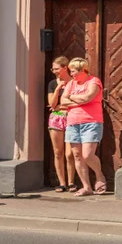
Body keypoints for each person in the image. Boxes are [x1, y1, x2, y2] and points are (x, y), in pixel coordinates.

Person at [58, 57, 107, 196]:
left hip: (91, 122)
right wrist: (79, 100)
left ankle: (99, 176)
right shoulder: (71, 84)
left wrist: (71, 97)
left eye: (73, 71)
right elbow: (62, 101)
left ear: (82, 70)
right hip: (73, 123)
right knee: (77, 155)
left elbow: (88, 98)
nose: (71, 74)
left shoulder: (94, 81)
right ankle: (87, 187)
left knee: (88, 155)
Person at [47, 56, 77, 192]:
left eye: (57, 69)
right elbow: (52, 104)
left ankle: (71, 182)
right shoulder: (53, 84)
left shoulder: (75, 82)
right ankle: (62, 183)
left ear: (65, 68)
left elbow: (77, 104)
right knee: (58, 152)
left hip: (72, 117)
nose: (54, 71)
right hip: (56, 119)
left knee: (70, 153)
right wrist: (59, 87)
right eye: (53, 69)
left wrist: (61, 106)